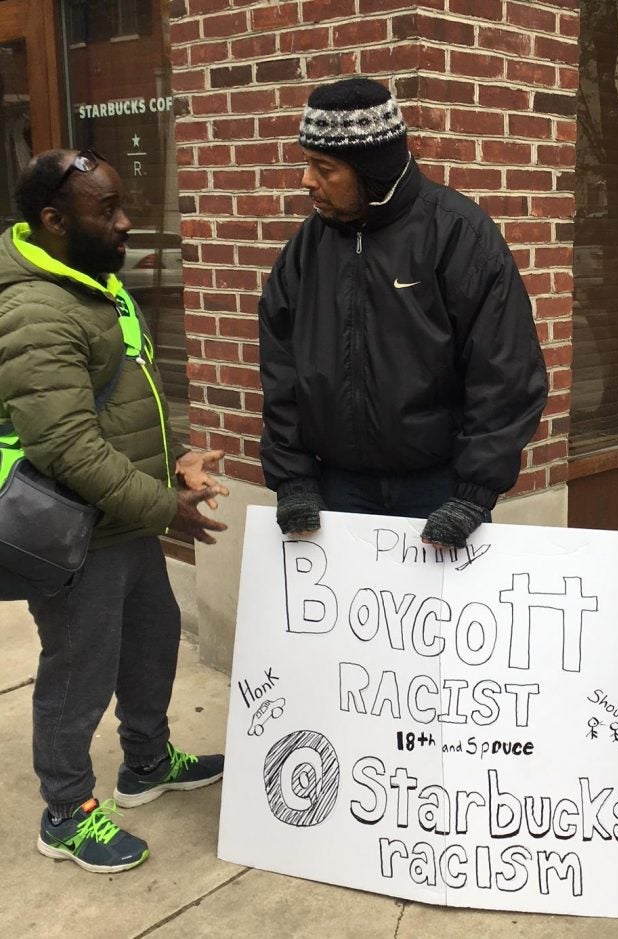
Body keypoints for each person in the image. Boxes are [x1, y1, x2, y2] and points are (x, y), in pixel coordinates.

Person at [0, 149, 230, 873]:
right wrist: (167, 506)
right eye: (109, 211)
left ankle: (146, 760)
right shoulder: (35, 308)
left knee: (153, 637)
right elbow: (67, 444)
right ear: (54, 221)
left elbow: (128, 402)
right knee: (78, 670)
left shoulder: (94, 284)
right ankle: (66, 811)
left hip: (121, 519)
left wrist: (176, 461)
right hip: (74, 534)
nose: (127, 221)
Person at [258, 77, 548, 545]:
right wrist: (293, 478)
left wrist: (474, 492)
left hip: (440, 489)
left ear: (371, 169)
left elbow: (505, 371)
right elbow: (281, 372)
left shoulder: (458, 235)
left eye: (323, 167)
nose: (306, 181)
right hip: (337, 488)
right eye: (307, 164)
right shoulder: (305, 251)